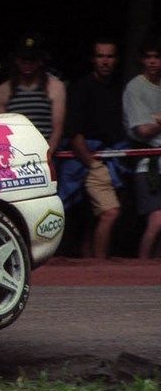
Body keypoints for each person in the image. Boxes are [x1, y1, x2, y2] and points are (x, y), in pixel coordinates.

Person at [61, 40, 126, 258]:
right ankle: (100, 268)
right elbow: (75, 133)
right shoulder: (82, 88)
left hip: (111, 160)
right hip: (87, 162)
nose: (105, 61)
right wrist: (93, 165)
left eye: (109, 56)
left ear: (115, 60)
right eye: (100, 56)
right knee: (110, 212)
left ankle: (93, 264)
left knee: (92, 217)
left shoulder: (117, 88)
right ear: (93, 59)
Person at [0, 33, 65, 158]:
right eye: (23, 59)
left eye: (32, 59)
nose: (27, 63)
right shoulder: (3, 90)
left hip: (45, 153)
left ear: (40, 60)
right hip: (14, 156)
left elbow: (57, 128)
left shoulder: (55, 87)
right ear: (16, 60)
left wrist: (47, 155)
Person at [122, 36, 161, 258]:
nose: (153, 62)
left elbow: (151, 125)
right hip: (148, 164)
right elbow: (142, 131)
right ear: (142, 60)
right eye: (149, 57)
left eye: (157, 57)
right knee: (156, 219)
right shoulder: (135, 87)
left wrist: (156, 120)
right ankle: (141, 266)